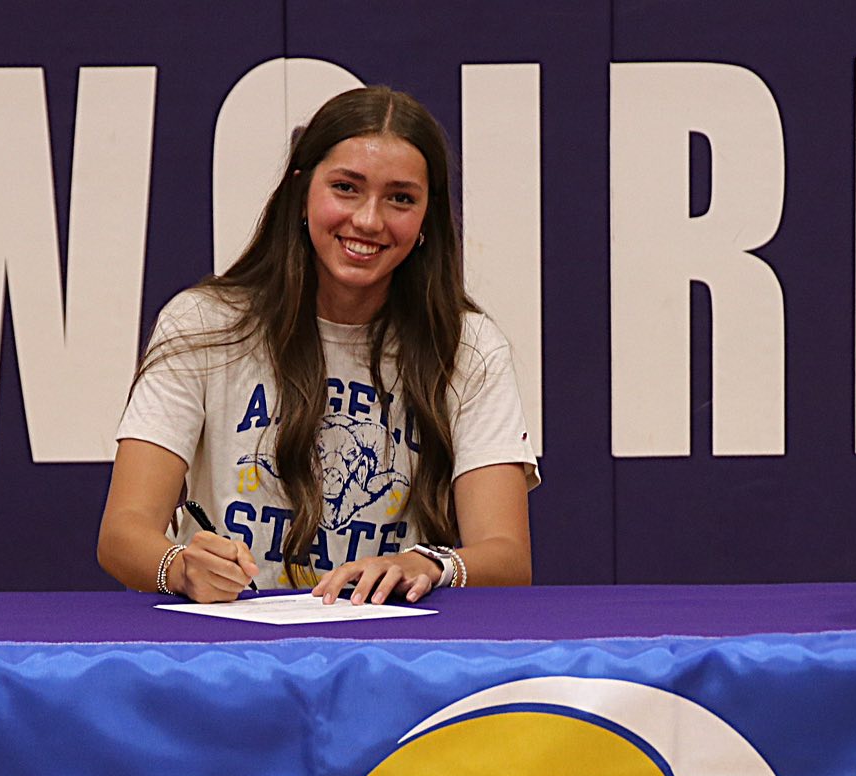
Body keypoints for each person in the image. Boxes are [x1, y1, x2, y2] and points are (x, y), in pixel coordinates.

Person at [97, 86, 537, 604]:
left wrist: (427, 564)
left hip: (389, 654)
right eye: (346, 188)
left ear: (425, 220)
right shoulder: (204, 324)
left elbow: (507, 556)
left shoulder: (467, 346)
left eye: (401, 198)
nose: (369, 220)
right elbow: (122, 533)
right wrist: (180, 567)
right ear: (301, 192)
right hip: (224, 652)